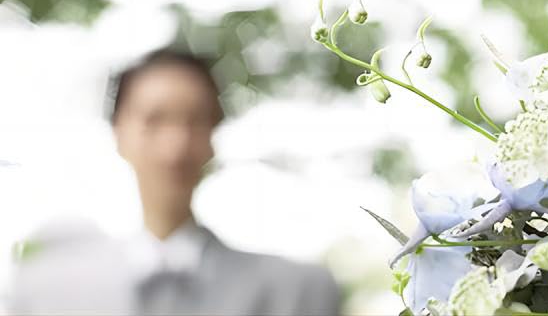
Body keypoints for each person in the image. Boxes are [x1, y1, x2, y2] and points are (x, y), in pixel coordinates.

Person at [6, 48, 342, 316]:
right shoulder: (45, 294)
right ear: (119, 133)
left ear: (213, 136)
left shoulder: (297, 292)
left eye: (195, 121)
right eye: (154, 121)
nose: (175, 147)